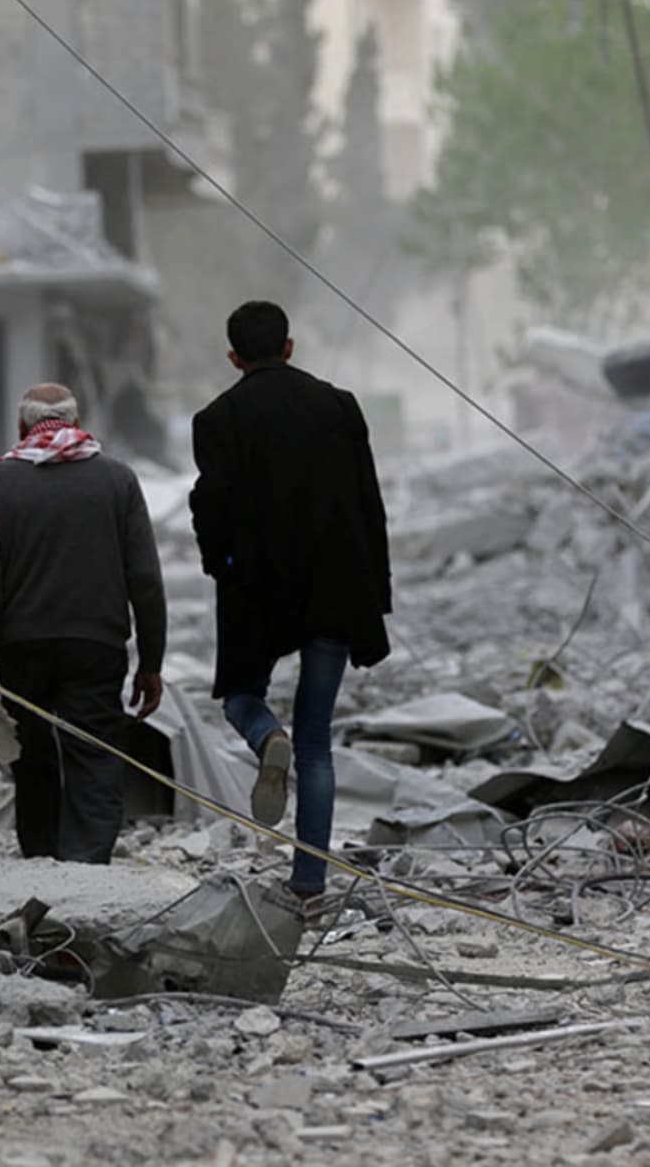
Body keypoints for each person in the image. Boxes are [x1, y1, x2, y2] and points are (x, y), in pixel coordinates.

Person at [189, 301, 391, 902]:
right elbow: (368, 503)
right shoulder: (339, 406)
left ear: (234, 357)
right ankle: (309, 883)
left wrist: (221, 566)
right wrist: (375, 592)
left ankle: (263, 736)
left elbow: (211, 508)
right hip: (336, 587)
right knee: (316, 743)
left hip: (257, 590)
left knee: (240, 698)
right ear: (290, 346)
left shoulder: (217, 419)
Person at [0, 383, 165, 863]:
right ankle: (87, 865)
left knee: (32, 754)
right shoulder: (118, 480)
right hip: (97, 647)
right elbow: (145, 580)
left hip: (21, 649)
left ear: (21, 427)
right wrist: (151, 663)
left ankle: (42, 860)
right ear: (76, 423)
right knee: (94, 755)